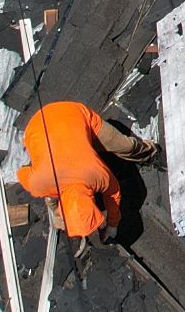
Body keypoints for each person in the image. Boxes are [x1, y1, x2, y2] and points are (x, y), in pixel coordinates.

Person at [16, 100, 156, 241]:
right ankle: (58, 211)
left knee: (126, 147)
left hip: (72, 115)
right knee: (50, 197)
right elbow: (22, 172)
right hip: (37, 126)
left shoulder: (98, 175)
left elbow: (113, 195)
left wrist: (113, 224)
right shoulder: (37, 185)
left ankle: (151, 151)